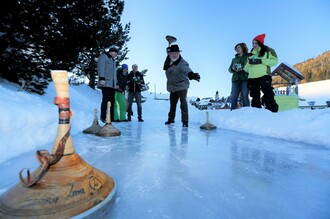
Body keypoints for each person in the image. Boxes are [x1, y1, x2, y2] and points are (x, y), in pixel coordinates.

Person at [164, 44, 200, 127]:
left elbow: (186, 69)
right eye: (172, 52)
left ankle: (185, 121)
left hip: (182, 85)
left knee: (183, 103)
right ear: (169, 53)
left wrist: (191, 74)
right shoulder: (167, 61)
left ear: (179, 53)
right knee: (172, 104)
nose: (174, 54)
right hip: (172, 86)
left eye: (176, 53)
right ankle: (171, 119)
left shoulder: (182, 62)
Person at [244, 34, 279, 112]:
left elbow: (275, 61)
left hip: (264, 75)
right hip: (252, 77)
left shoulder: (268, 50)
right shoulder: (251, 54)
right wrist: (250, 63)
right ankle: (256, 111)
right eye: (253, 43)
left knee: (267, 91)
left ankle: (272, 110)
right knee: (254, 95)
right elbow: (246, 69)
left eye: (256, 43)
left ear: (260, 42)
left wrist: (261, 61)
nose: (254, 45)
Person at [97, 46, 118, 123]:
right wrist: (102, 78)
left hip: (112, 85)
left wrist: (116, 83)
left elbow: (114, 74)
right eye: (115, 52)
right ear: (111, 51)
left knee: (112, 100)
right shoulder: (103, 56)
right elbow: (100, 67)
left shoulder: (113, 61)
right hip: (105, 82)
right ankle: (103, 117)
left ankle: (111, 117)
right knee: (105, 99)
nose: (116, 54)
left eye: (117, 53)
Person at [228, 43, 250, 110]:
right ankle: (232, 112)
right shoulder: (234, 59)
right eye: (236, 48)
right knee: (233, 97)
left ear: (243, 48)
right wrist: (232, 68)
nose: (237, 49)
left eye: (239, 47)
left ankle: (247, 112)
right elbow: (229, 70)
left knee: (244, 96)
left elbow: (250, 68)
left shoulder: (248, 57)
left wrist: (243, 68)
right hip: (235, 80)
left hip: (245, 79)